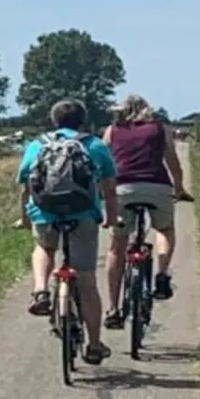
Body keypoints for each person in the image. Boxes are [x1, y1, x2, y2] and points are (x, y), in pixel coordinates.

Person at [15, 98, 120, 365]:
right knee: (86, 281)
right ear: (83, 120)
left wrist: (25, 218)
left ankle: (40, 290)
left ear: (54, 120)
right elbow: (109, 187)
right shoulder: (94, 145)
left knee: (44, 247)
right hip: (83, 215)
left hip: (45, 212)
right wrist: (109, 218)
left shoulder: (38, 145)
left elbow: (26, 185)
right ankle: (94, 345)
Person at [102, 95, 192, 328]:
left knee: (117, 246)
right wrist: (180, 189)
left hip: (123, 188)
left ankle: (113, 308)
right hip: (157, 185)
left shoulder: (112, 131)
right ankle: (161, 274)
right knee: (165, 229)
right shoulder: (159, 129)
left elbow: (103, 162)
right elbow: (173, 163)